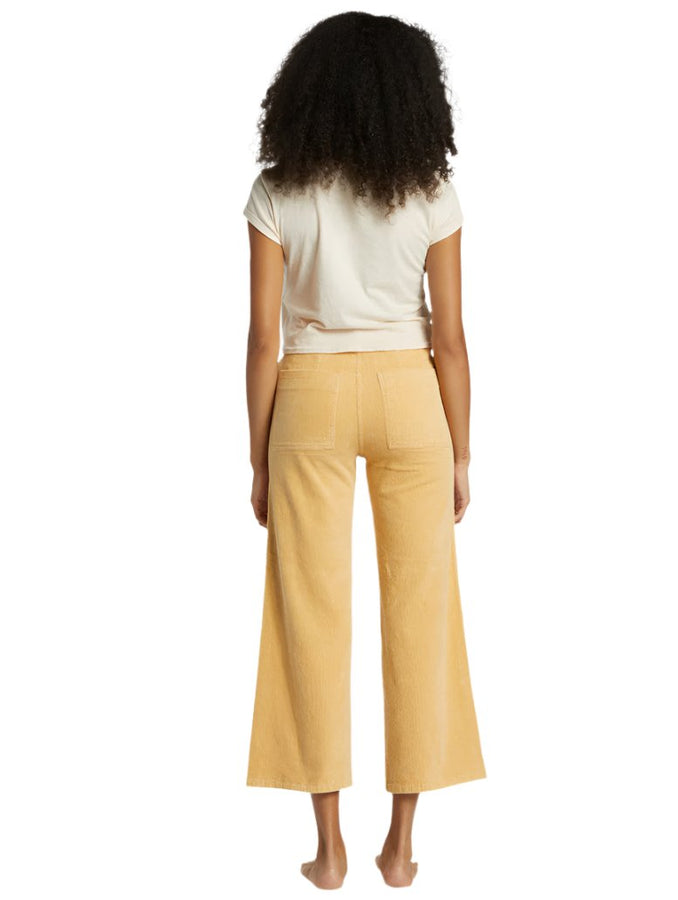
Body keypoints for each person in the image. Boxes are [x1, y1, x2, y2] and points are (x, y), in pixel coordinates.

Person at [243, 12, 487, 889]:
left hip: (308, 394)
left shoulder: (278, 191)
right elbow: (451, 339)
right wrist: (461, 454)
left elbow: (262, 340)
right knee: (420, 613)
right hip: (411, 396)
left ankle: (330, 845)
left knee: (310, 612)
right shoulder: (430, 191)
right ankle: (403, 844)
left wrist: (258, 457)